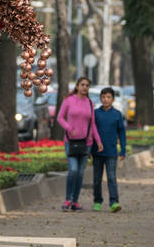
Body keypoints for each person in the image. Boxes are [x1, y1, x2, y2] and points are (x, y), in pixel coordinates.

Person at [56, 77, 103, 211]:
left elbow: (92, 124)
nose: (84, 87)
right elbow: (60, 118)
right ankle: (67, 199)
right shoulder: (68, 101)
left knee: (80, 173)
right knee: (73, 170)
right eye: (82, 85)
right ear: (77, 86)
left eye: (87, 85)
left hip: (86, 143)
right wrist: (69, 128)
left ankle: (75, 201)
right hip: (70, 142)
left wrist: (98, 141)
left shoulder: (90, 103)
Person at [91, 87, 126, 213]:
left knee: (111, 177)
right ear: (100, 98)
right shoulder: (95, 113)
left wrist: (123, 150)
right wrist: (90, 149)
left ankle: (114, 202)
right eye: (103, 97)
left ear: (113, 99)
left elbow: (121, 133)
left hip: (111, 152)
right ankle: (97, 201)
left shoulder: (117, 115)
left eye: (108, 97)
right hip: (97, 152)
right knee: (97, 178)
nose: (106, 100)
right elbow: (91, 132)